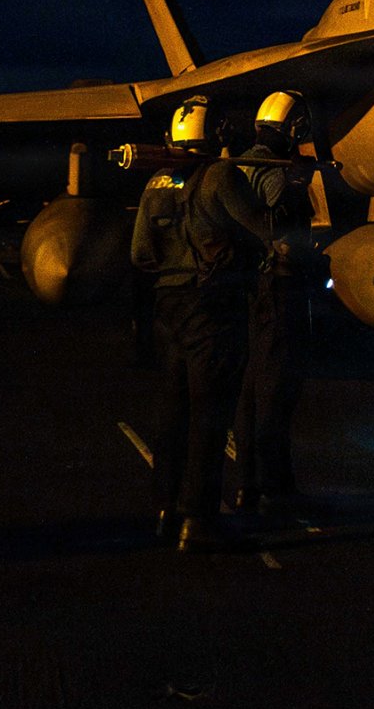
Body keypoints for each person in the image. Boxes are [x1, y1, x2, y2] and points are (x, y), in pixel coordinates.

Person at [131, 96, 273, 552]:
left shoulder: (157, 179)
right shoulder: (220, 176)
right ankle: (198, 520)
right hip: (212, 307)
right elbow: (263, 230)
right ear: (217, 135)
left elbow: (139, 252)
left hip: (166, 306)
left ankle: (163, 511)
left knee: (172, 413)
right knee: (210, 417)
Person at [233, 91, 316, 516]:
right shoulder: (278, 174)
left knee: (250, 390)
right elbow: (283, 231)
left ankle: (248, 483)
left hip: (247, 288)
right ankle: (275, 488)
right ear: (294, 128)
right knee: (276, 391)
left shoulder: (241, 163)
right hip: (278, 288)